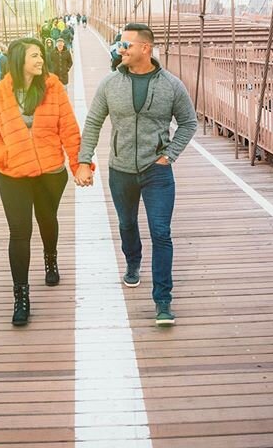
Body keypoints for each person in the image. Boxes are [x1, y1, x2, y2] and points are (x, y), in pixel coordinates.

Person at [75, 23, 197, 326]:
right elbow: (92, 124)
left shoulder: (171, 85)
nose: (120, 49)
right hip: (120, 170)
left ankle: (163, 301)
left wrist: (169, 155)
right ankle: (133, 262)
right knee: (127, 223)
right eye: (118, 45)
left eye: (125, 45)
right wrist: (83, 160)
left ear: (146, 48)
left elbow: (189, 123)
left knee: (161, 233)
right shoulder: (109, 84)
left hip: (157, 171)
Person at [0, 37, 84, 326]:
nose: (41, 60)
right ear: (18, 61)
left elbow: (69, 129)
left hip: (50, 172)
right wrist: (4, 156)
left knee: (47, 219)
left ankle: (50, 257)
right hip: (13, 174)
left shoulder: (54, 88)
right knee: (19, 231)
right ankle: (21, 296)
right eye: (34, 56)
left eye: (41, 55)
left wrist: (79, 165)